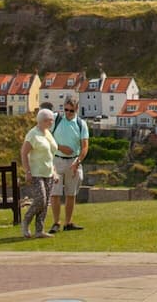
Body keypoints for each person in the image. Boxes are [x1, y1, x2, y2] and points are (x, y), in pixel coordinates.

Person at [48, 98, 90, 234]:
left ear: (76, 109)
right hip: (57, 160)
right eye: (66, 109)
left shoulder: (81, 124)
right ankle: (56, 223)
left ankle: (68, 222)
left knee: (71, 194)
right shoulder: (56, 119)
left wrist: (77, 161)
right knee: (55, 193)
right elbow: (46, 137)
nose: (68, 113)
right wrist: (60, 147)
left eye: (71, 110)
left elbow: (85, 146)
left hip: (73, 161)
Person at [19, 109, 60, 238]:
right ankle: (26, 220)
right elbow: (24, 153)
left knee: (46, 201)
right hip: (36, 172)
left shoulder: (48, 133)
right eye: (50, 120)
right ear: (42, 120)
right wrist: (27, 171)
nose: (52, 122)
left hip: (48, 172)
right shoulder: (33, 134)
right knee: (40, 200)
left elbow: (50, 154)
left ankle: (39, 230)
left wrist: (54, 171)